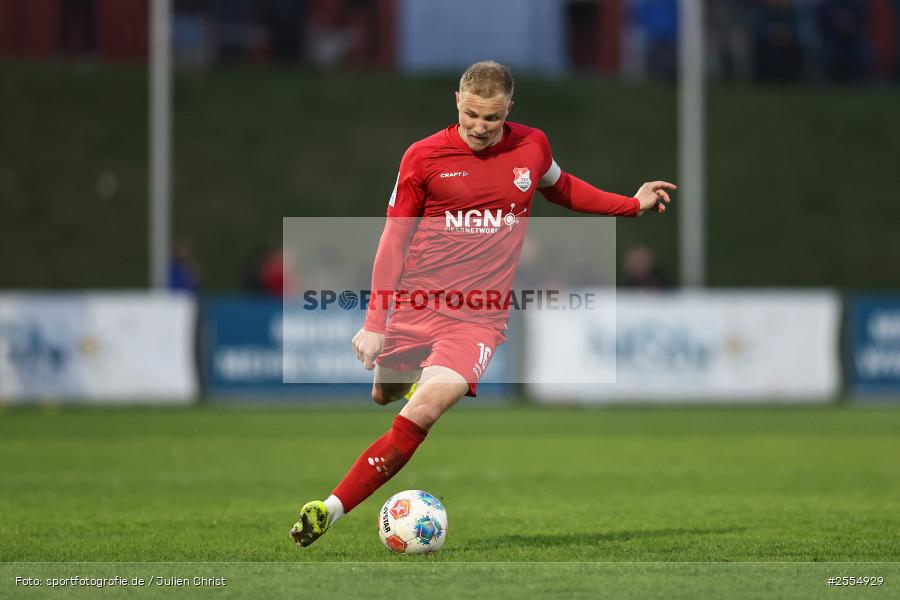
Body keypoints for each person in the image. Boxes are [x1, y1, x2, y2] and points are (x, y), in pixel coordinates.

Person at [290, 61, 675, 547]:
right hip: (416, 304)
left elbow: (564, 187)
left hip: (477, 317)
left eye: (491, 119)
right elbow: (393, 239)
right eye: (471, 115)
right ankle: (406, 380)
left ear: (508, 109)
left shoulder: (532, 146)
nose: (479, 127)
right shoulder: (422, 157)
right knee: (385, 394)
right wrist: (376, 321)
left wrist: (630, 203)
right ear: (457, 101)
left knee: (425, 409)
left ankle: (328, 510)